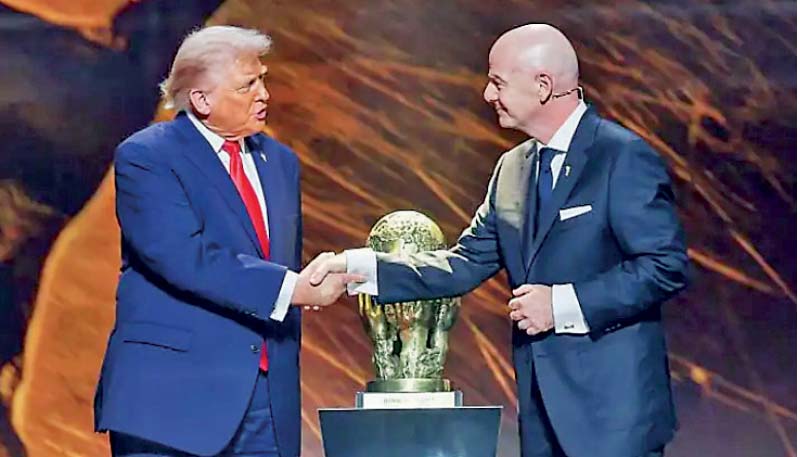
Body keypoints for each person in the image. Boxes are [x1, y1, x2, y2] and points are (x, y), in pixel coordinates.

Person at [310, 24, 689, 457]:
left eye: (498, 82)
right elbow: (464, 262)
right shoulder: (512, 168)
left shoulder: (620, 156)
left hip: (613, 420)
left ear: (543, 86)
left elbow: (665, 266)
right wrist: (357, 266)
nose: (488, 94)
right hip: (540, 416)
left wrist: (561, 305)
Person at [94, 26, 360, 457]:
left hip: (265, 404)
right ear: (201, 99)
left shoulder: (280, 162)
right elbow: (181, 256)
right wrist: (291, 289)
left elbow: (275, 260)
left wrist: (309, 282)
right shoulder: (147, 156)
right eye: (247, 85)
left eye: (263, 79)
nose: (264, 95)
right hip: (171, 401)